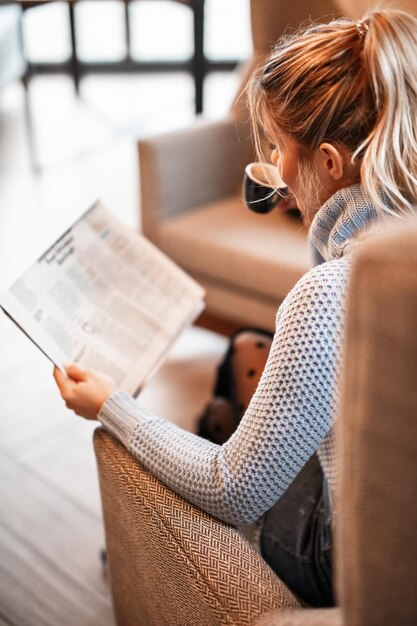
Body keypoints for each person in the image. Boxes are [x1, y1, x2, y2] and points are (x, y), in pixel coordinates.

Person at [53, 9, 417, 607]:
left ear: (329, 161)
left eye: (278, 148)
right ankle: (221, 412)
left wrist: (109, 405)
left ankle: (194, 454)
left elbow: (232, 491)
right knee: (250, 348)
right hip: (393, 508)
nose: (273, 168)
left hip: (346, 554)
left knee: (200, 438)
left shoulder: (330, 292)